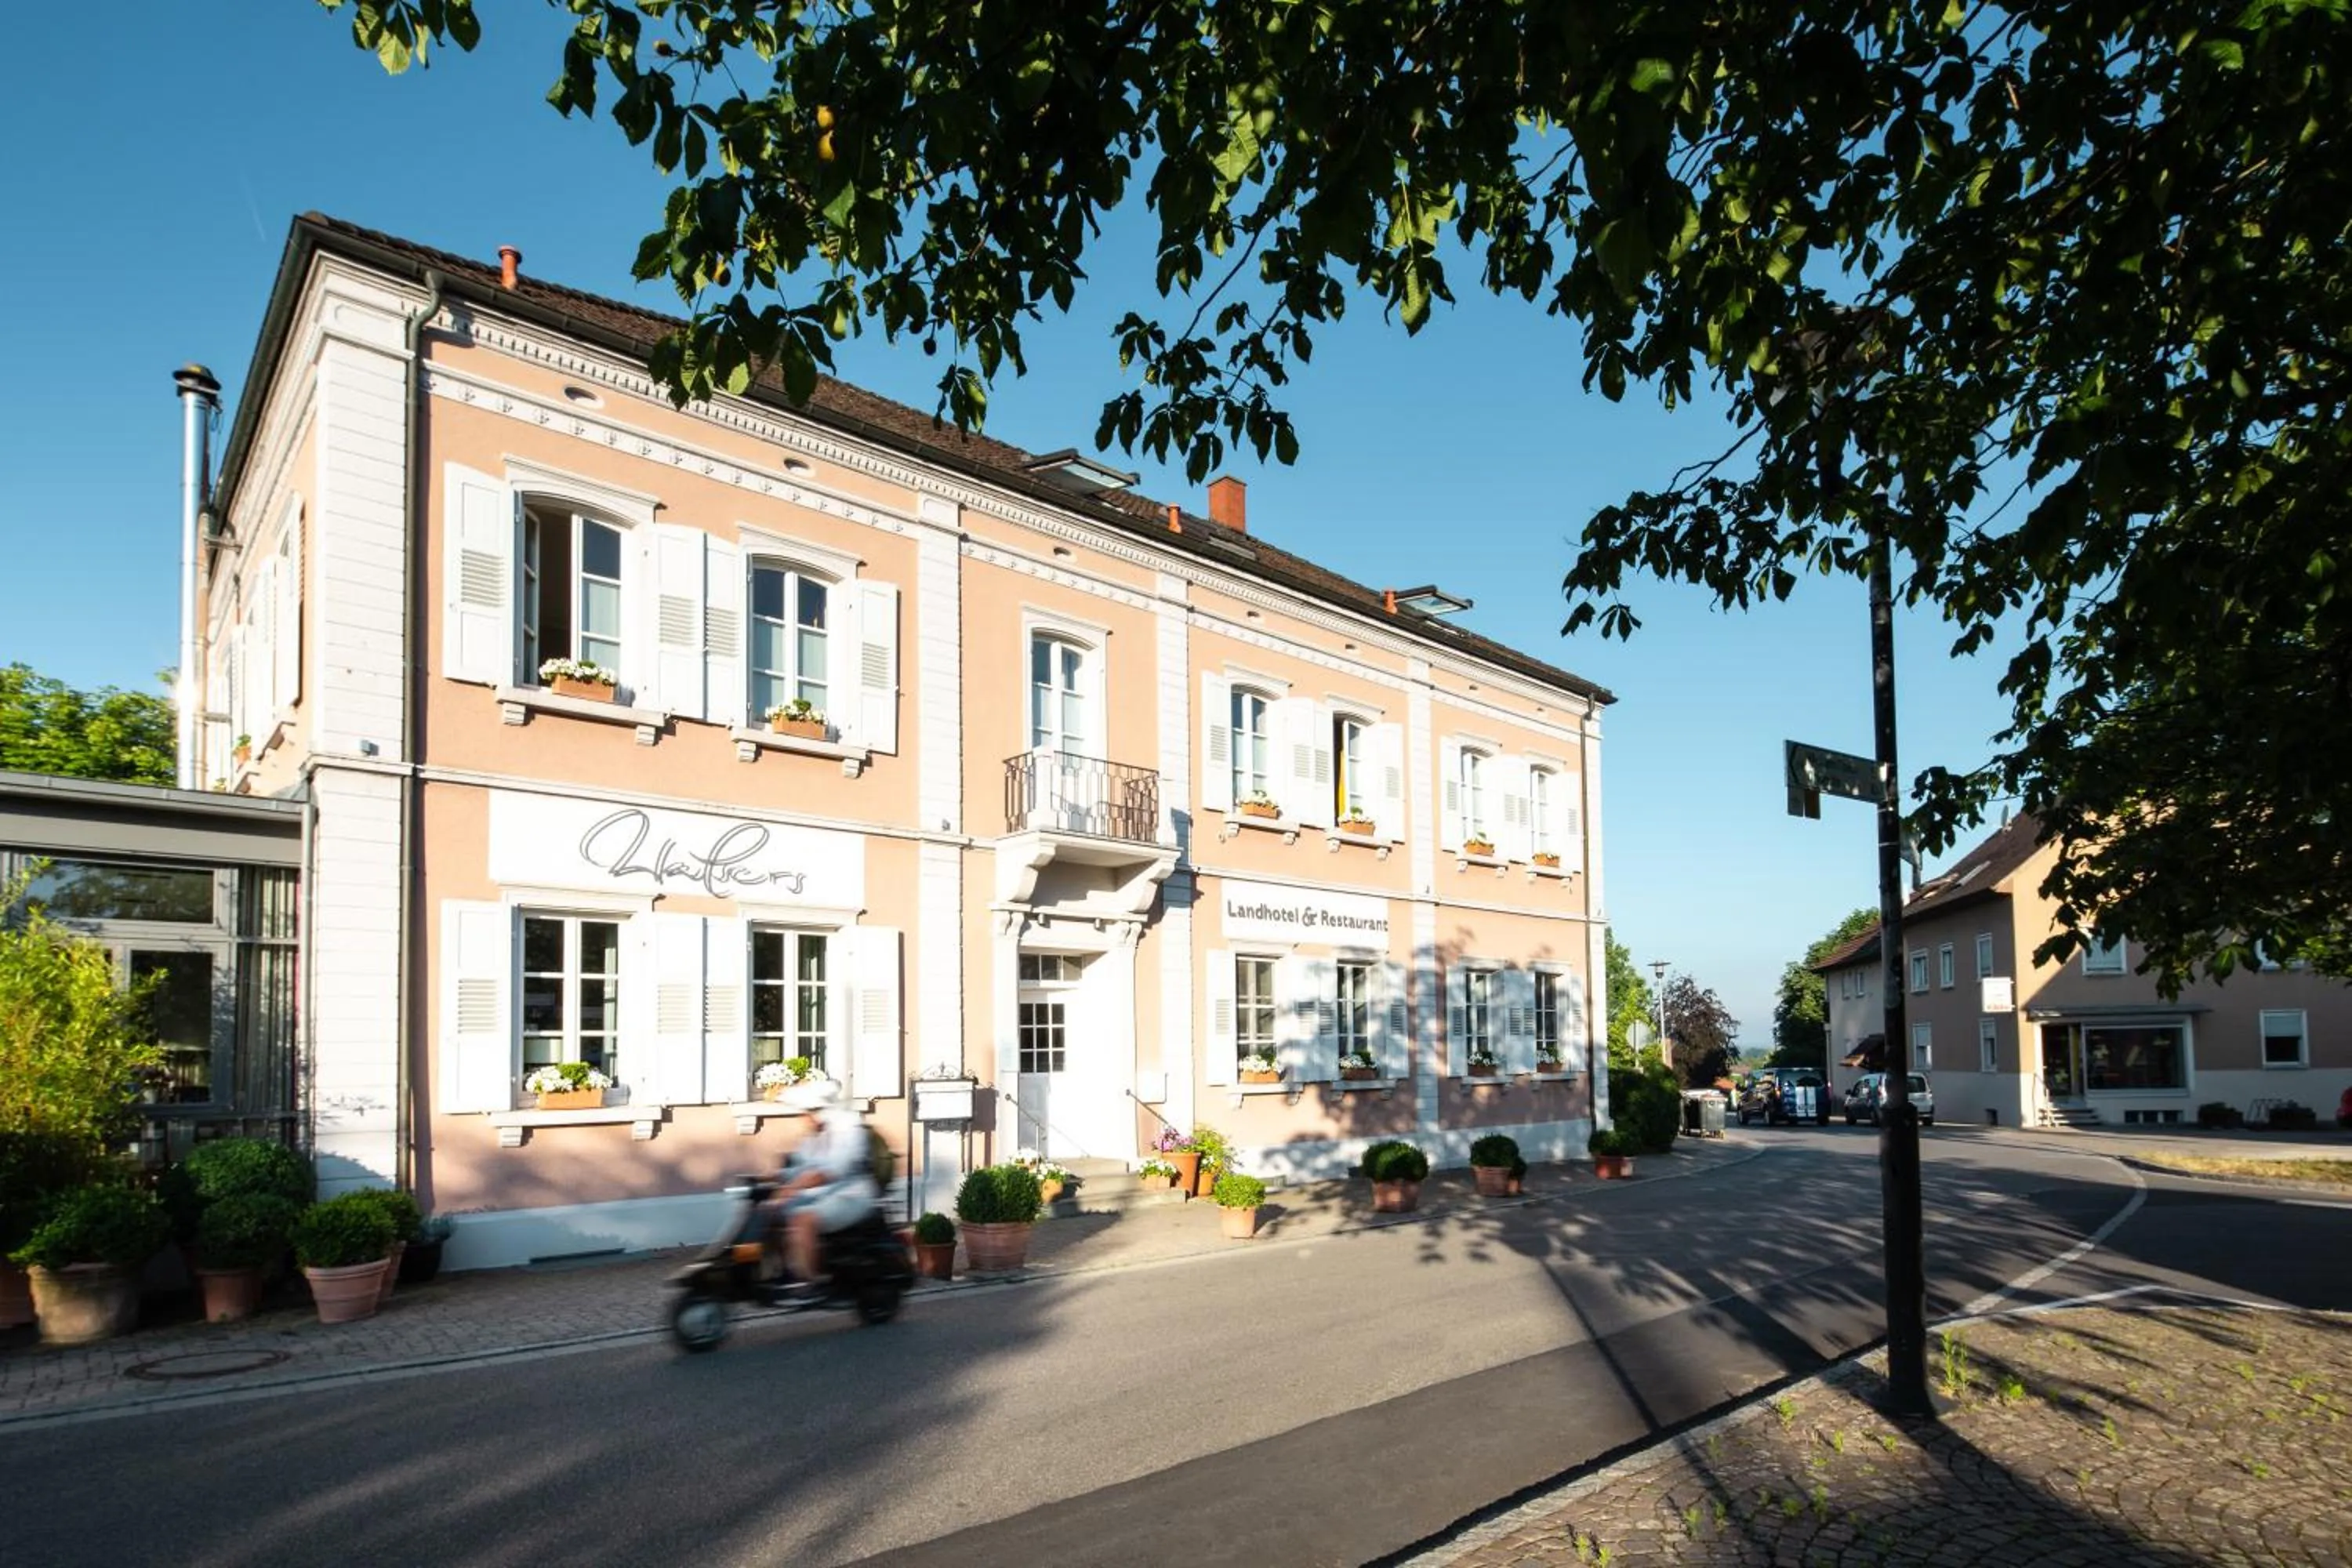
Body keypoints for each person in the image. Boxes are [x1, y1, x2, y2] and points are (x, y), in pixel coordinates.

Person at [772, 1077, 879, 1301]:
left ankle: (811, 1282)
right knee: (772, 1214)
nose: (804, 1118)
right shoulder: (814, 1137)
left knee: (803, 1220)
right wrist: (772, 1179)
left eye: (807, 1113)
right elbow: (799, 1165)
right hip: (825, 1194)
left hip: (852, 1194)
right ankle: (784, 1272)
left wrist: (794, 1187)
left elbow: (833, 1170)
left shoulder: (849, 1129)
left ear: (820, 1111)